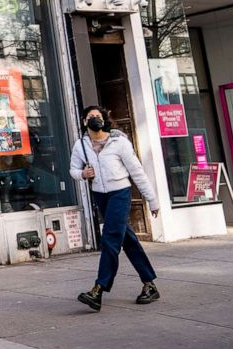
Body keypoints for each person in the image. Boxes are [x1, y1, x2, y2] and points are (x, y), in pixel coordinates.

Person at [70, 106, 160, 311]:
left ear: (104, 120)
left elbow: (136, 171)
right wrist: (83, 174)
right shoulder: (81, 145)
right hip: (100, 195)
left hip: (120, 192)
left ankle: (98, 289)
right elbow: (73, 170)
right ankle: (149, 284)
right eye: (91, 117)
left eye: (98, 116)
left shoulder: (119, 142)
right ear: (84, 122)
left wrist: (152, 200)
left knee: (110, 238)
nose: (95, 119)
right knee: (127, 240)